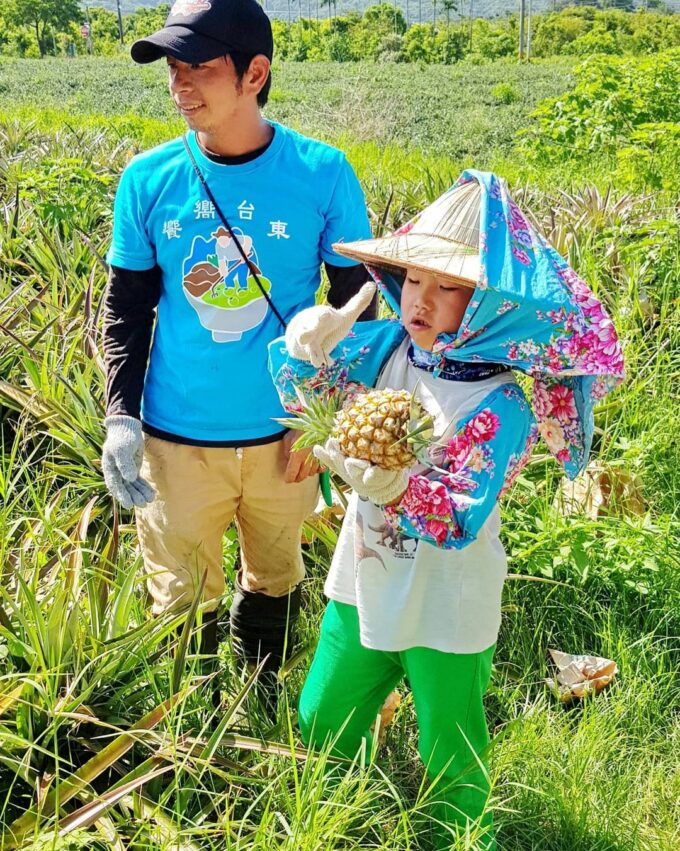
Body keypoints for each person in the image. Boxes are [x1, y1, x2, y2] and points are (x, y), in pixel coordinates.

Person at [269, 171, 624, 848]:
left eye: (447, 286)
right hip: (361, 579)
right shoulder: (385, 350)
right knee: (322, 719)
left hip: (446, 603)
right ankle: (336, 825)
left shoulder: (502, 404)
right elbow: (305, 398)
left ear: (488, 302)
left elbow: (458, 514)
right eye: (414, 280)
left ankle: (460, 841)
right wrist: (304, 346)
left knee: (449, 756)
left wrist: (395, 488)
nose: (420, 301)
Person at [100, 0, 375, 711]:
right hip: (175, 440)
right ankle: (190, 728)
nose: (180, 84)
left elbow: (360, 304)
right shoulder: (148, 179)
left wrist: (325, 419)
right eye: (173, 66)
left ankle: (260, 706)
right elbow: (126, 309)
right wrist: (120, 418)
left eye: (201, 67)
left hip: (284, 439)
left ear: (256, 73)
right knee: (180, 601)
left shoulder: (322, 173)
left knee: (275, 579)